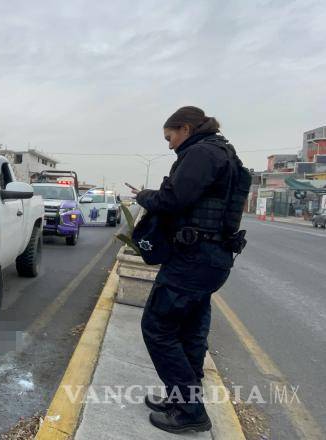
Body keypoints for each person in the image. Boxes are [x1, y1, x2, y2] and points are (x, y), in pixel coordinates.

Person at [130, 106, 246, 433]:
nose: (169, 145)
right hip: (211, 258)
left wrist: (143, 196)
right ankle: (181, 398)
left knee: (157, 327)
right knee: (189, 331)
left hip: (194, 260)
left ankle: (190, 410)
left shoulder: (202, 153)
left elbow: (172, 199)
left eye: (170, 137)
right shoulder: (225, 153)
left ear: (185, 128)